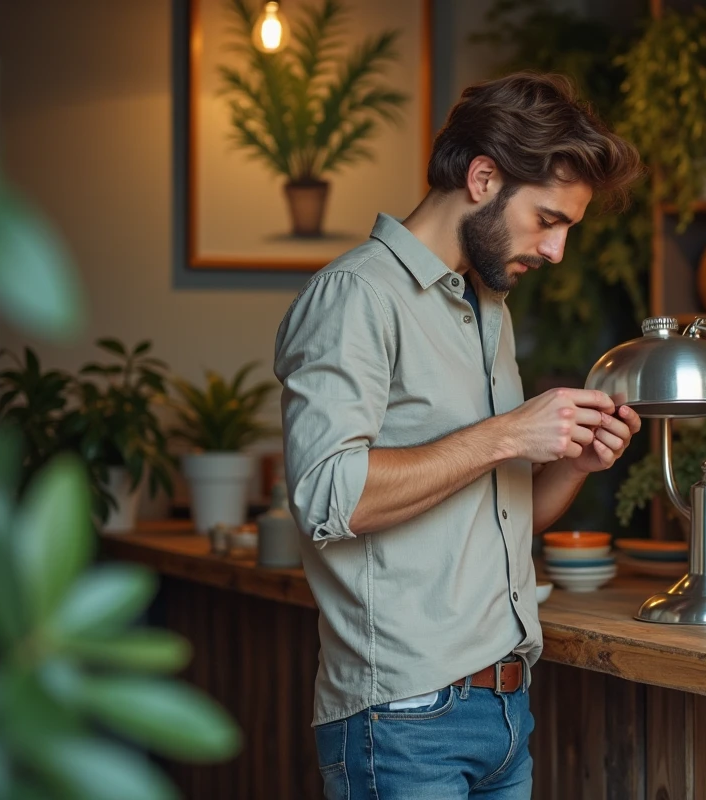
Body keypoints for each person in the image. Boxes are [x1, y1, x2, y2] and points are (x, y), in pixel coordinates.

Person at [273, 72, 644, 800]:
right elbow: (328, 498)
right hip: (404, 719)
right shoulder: (357, 296)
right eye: (548, 219)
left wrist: (573, 463)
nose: (558, 249)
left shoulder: (485, 307)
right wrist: (508, 433)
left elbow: (505, 517)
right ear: (482, 178)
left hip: (504, 711)